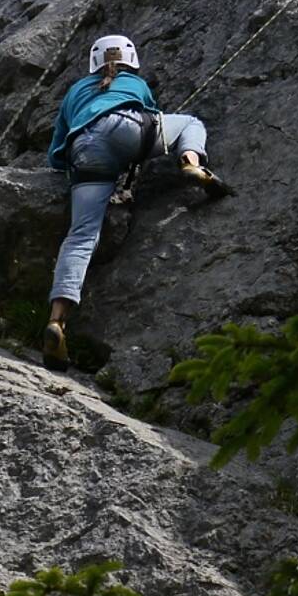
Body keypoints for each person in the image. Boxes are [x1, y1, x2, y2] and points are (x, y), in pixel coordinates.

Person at [40, 34, 232, 370]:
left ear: (93, 63)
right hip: (129, 128)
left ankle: (57, 320)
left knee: (81, 237)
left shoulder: (74, 93)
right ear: (131, 59)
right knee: (189, 122)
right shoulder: (136, 84)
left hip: (84, 150)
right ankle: (191, 162)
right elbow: (151, 121)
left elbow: (55, 154)